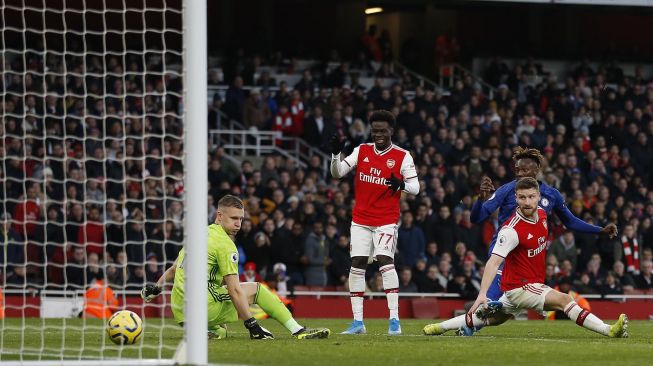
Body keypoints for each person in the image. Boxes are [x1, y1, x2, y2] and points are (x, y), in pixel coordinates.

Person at [423, 178, 628, 338]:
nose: (527, 202)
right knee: (565, 299)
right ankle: (609, 330)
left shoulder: (543, 214)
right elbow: (493, 262)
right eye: (522, 198)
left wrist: (599, 230)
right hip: (520, 287)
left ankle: (438, 327)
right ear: (516, 197)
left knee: (492, 320)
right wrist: (482, 293)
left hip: (526, 286)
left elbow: (571, 221)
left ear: (539, 196)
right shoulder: (510, 230)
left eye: (531, 197)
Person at [465, 147, 618, 335]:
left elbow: (570, 221)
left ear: (536, 170)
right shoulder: (507, 190)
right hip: (503, 256)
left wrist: (599, 230)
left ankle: (468, 324)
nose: (520, 173)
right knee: (488, 303)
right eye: (517, 170)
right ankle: (467, 326)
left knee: (500, 311)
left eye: (524, 170)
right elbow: (476, 218)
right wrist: (480, 200)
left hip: (528, 259)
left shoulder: (552, 194)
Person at [141, 195, 330, 340]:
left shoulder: (198, 234)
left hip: (180, 310)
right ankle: (298, 330)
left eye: (241, 219)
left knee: (221, 330)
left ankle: (207, 330)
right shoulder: (225, 244)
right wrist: (252, 324)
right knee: (256, 288)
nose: (238, 224)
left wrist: (156, 288)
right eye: (234, 219)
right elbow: (234, 289)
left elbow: (175, 269)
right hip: (202, 306)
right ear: (220, 216)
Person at [329, 109, 419, 335]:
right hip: (360, 220)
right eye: (375, 130)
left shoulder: (402, 156)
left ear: (392, 131)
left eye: (383, 130)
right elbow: (338, 173)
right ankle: (358, 322)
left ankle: (394, 320)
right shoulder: (362, 151)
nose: (378, 134)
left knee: (385, 261)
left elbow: (416, 188)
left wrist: (401, 185)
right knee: (356, 264)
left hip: (386, 220)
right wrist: (335, 154)